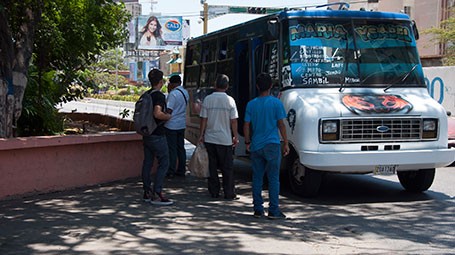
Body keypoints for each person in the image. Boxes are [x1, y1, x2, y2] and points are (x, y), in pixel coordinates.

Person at [243, 73, 290, 219]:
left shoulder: (251, 104)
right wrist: (286, 142)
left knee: (257, 177)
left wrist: (247, 142)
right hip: (272, 144)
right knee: (273, 178)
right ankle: (274, 210)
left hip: (256, 144)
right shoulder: (276, 103)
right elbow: (281, 124)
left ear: (257, 86)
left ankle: (258, 209)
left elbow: (246, 125)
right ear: (271, 86)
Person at [198, 74, 239, 200]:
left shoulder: (208, 100)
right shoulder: (230, 101)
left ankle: (214, 191)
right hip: (225, 139)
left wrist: (201, 134)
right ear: (227, 86)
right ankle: (229, 192)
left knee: (212, 167)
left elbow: (203, 119)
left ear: (215, 85)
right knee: (227, 168)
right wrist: (235, 136)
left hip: (210, 138)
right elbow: (233, 121)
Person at [141, 68, 173, 205]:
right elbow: (157, 113)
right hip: (158, 134)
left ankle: (147, 191)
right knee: (164, 162)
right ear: (161, 82)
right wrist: (168, 116)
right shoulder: (159, 96)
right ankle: (158, 192)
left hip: (146, 133)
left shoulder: (145, 95)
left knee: (147, 162)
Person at [165, 75, 189, 178]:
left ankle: (171, 170)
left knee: (172, 149)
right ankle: (181, 169)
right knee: (181, 148)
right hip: (181, 124)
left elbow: (169, 110)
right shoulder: (185, 92)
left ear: (171, 83)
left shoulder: (173, 94)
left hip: (171, 125)